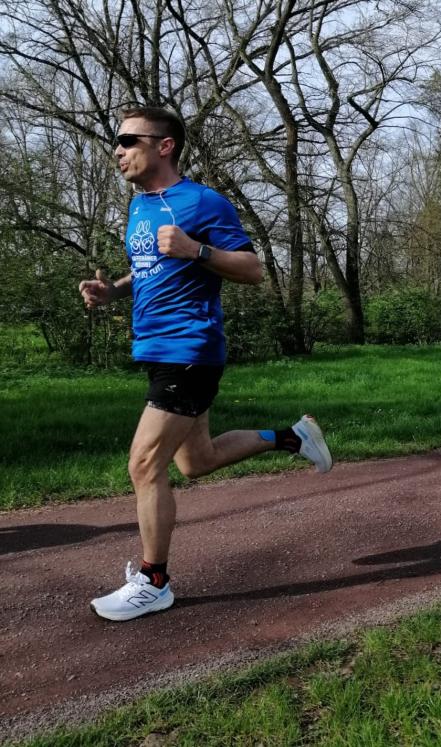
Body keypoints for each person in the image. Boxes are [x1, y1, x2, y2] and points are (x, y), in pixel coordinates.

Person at [79, 106, 332, 622]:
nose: (118, 149)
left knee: (144, 465)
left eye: (128, 140)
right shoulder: (141, 205)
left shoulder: (202, 202)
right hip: (158, 350)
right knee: (196, 461)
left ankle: (154, 583)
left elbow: (252, 269)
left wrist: (197, 250)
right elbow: (149, 267)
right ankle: (292, 437)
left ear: (164, 145)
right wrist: (113, 291)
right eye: (117, 141)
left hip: (188, 350)